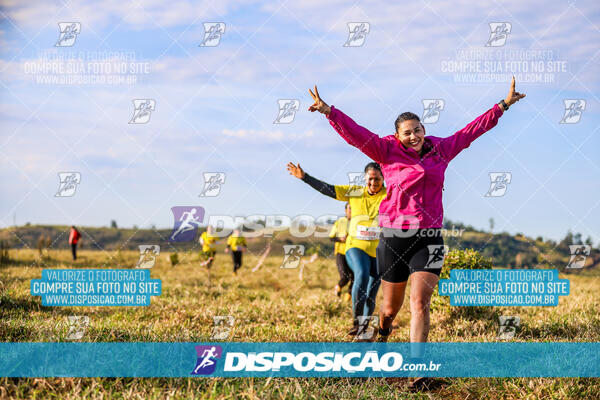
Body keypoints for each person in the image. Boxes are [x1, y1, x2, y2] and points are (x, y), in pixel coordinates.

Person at [306, 78, 525, 351]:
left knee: (420, 303)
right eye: (407, 133)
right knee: (389, 309)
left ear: (424, 129)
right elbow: (358, 135)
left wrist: (502, 106)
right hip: (394, 237)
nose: (413, 136)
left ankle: (417, 368)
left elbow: (470, 132)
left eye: (417, 130)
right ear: (398, 136)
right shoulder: (385, 151)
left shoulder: (441, 150)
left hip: (429, 238)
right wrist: (330, 113)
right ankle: (383, 331)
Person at [287, 161, 386, 338]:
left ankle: (364, 327)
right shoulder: (356, 192)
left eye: (377, 179)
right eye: (370, 179)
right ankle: (356, 323)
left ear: (383, 178)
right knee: (362, 275)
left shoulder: (389, 194)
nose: (373, 183)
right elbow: (329, 189)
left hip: (379, 251)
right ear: (365, 179)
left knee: (372, 292)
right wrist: (305, 178)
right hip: (356, 246)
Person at [329, 203, 353, 302]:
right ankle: (338, 289)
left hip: (353, 253)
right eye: (350, 208)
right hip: (341, 252)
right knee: (344, 277)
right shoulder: (339, 222)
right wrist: (340, 239)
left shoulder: (359, 222)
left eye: (353, 208)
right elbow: (331, 237)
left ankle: (347, 299)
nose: (351, 210)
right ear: (345, 210)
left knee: (356, 277)